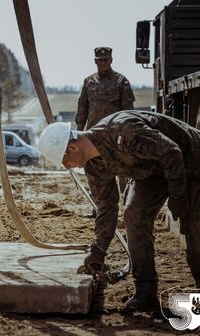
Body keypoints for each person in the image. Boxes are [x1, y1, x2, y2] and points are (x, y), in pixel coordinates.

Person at [37, 110, 200, 311]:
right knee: (134, 215)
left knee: (194, 230)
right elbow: (106, 207)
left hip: (192, 161)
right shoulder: (95, 166)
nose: (66, 166)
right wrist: (98, 250)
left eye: (63, 161)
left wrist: (178, 195)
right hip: (152, 173)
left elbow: (171, 152)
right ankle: (145, 292)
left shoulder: (123, 130)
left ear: (72, 147)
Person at [75, 47, 135, 217]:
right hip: (93, 139)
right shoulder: (89, 82)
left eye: (106, 60)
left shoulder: (120, 81)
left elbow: (128, 111)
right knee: (96, 175)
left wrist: (127, 135)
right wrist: (78, 133)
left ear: (111, 60)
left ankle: (127, 210)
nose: (103, 62)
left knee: (122, 173)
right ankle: (98, 208)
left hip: (116, 138)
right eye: (100, 60)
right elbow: (82, 109)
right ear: (95, 61)